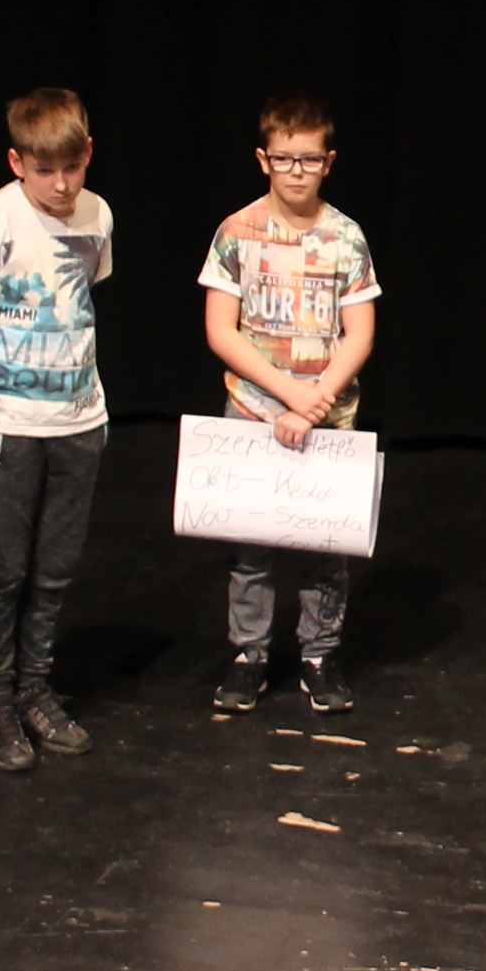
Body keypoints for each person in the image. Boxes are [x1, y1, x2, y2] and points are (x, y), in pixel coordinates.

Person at [0, 90, 115, 773]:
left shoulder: (98, 215)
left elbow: (82, 295)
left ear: (87, 153)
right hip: (6, 426)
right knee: (3, 570)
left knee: (55, 568)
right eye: (44, 171)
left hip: (78, 421)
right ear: (16, 163)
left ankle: (35, 688)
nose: (61, 184)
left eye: (72, 167)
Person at [200, 93, 382, 715]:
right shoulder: (237, 231)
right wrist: (287, 395)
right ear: (263, 160)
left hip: (327, 414)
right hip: (254, 410)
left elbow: (360, 334)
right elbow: (221, 330)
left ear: (328, 162)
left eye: (308, 159)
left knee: (323, 548)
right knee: (250, 546)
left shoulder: (346, 237)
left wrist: (315, 401)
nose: (296, 171)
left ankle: (319, 655)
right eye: (284, 159)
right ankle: (248, 654)